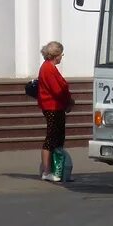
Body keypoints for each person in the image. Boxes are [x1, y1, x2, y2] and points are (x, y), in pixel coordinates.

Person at [37, 41, 73, 182]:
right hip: (52, 106)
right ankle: (47, 171)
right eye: (61, 54)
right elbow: (57, 90)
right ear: (56, 55)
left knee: (57, 137)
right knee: (51, 138)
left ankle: (56, 169)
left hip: (56, 106)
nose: (62, 57)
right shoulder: (48, 69)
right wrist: (68, 102)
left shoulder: (50, 67)